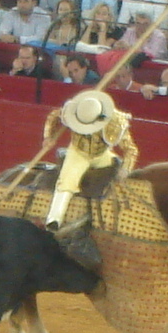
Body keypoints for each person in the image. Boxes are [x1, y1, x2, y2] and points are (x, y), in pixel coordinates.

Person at [43, 90, 138, 230]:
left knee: (118, 174)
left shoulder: (115, 122)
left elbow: (131, 150)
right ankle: (54, 220)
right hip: (78, 153)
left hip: (102, 155)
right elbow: (53, 116)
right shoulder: (74, 110)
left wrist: (126, 169)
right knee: (67, 182)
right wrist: (48, 137)